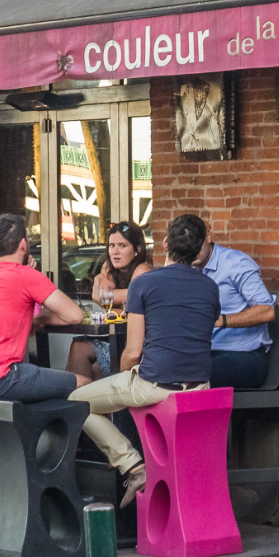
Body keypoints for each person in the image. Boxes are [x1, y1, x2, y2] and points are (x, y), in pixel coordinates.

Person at [70, 214, 222, 506]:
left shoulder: (146, 283)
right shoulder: (210, 286)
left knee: (77, 401)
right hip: (201, 387)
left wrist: (126, 375)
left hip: (155, 384)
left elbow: (133, 351)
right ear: (201, 247)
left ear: (165, 244)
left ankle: (134, 467)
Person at [0, 212, 86, 401]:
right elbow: (75, 315)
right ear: (23, 244)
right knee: (83, 384)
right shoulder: (27, 276)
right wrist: (42, 318)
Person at [193, 222, 276, 389]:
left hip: (245, 355)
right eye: (185, 247)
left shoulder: (235, 263)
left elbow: (267, 311)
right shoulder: (189, 268)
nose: (192, 251)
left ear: (208, 236)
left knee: (197, 374)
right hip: (205, 353)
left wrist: (220, 320)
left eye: (196, 244)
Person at [66, 221, 151, 383]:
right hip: (119, 341)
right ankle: (82, 404)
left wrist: (112, 299)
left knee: (80, 350)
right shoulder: (109, 268)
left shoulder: (143, 270)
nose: (115, 252)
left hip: (141, 349)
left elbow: (105, 297)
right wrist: (118, 301)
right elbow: (106, 299)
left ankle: (76, 404)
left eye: (122, 245)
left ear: (137, 250)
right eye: (112, 245)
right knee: (86, 356)